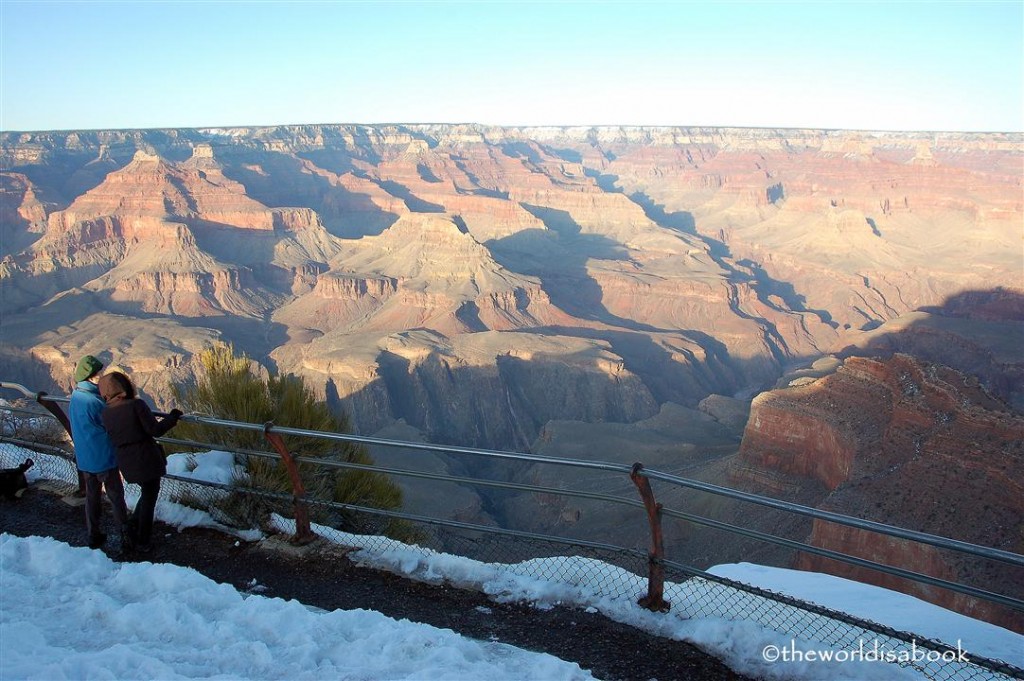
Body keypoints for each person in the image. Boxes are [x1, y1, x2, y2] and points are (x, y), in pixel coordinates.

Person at [97, 371, 182, 553]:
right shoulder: (136, 405)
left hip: (126, 460)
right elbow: (155, 430)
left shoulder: (106, 412)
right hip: (146, 458)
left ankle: (131, 526)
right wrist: (173, 417)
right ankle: (143, 540)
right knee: (150, 497)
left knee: (146, 493)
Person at [68, 354, 131, 550]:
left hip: (85, 459)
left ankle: (93, 535)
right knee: (116, 497)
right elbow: (111, 425)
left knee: (92, 498)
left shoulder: (76, 396)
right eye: (98, 374)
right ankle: (125, 537)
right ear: (91, 377)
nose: (101, 377)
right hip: (104, 459)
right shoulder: (94, 402)